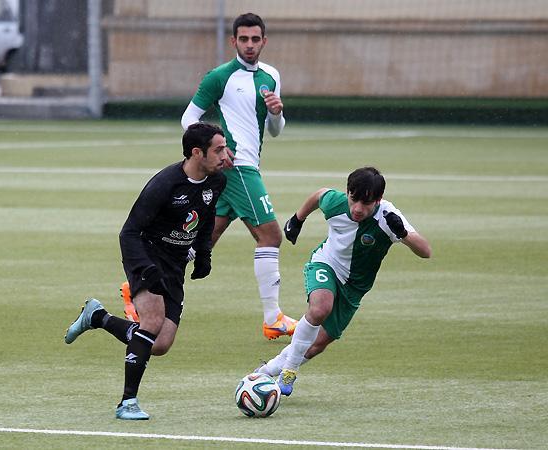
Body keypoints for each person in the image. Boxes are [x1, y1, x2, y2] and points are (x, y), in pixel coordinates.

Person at [64, 123, 228, 420]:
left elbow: (206, 220)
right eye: (218, 150)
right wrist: (145, 269)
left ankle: (97, 317)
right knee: (151, 322)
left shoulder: (217, 181)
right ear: (197, 153)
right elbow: (128, 232)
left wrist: (204, 255)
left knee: (160, 344)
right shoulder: (165, 184)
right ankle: (127, 403)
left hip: (176, 263)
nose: (225, 155)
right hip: (146, 254)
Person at [255, 166, 432, 395]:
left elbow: (425, 251)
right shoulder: (336, 203)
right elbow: (319, 195)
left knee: (317, 345)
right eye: (353, 199)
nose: (357, 208)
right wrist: (297, 219)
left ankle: (265, 372)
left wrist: (404, 234)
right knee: (320, 309)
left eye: (366, 203)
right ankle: (289, 371)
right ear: (347, 192)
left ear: (378, 200)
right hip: (326, 264)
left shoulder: (388, 217)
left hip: (355, 288)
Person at [177, 12, 296, 340]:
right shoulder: (219, 77)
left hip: (243, 168)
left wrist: (277, 113)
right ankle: (273, 317)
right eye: (243, 39)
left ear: (264, 41)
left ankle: (138, 288)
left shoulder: (271, 76)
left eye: (255, 39)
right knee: (271, 236)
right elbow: (189, 119)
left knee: (201, 242)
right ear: (234, 42)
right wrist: (217, 148)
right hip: (238, 168)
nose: (249, 45)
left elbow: (275, 131)